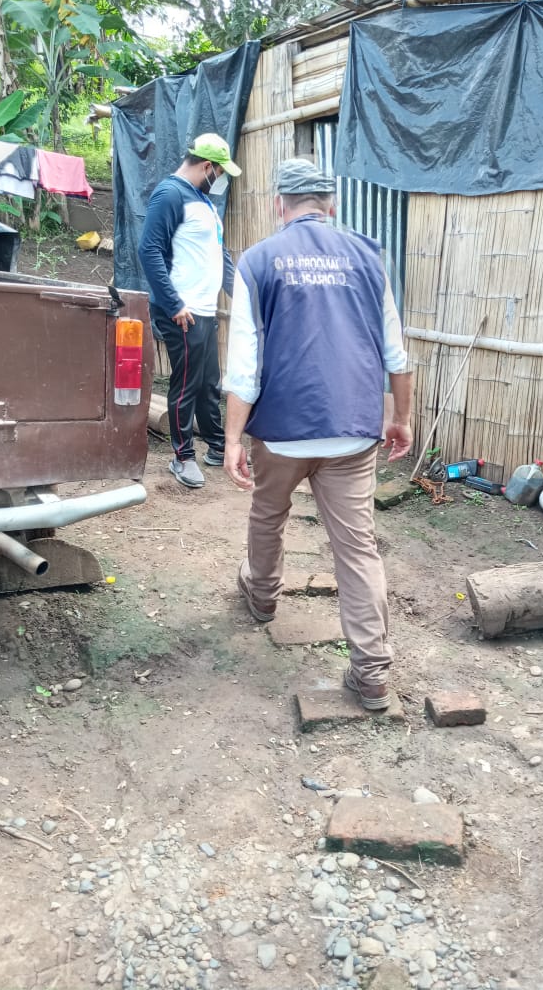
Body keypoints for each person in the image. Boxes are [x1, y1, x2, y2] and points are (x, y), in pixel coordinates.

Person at [223, 158, 413, 710]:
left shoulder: (258, 260)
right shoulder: (369, 257)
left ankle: (262, 597)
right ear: (332, 205)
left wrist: (232, 439)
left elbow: (244, 367)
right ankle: (372, 672)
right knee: (357, 547)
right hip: (352, 431)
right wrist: (400, 417)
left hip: (281, 431)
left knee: (268, 513)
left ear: (278, 205)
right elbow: (396, 352)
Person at [138, 133, 241, 488]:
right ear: (208, 166)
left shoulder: (205, 202)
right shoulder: (170, 194)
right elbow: (149, 250)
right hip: (183, 311)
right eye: (221, 173)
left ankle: (216, 445)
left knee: (208, 382)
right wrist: (174, 303)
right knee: (185, 384)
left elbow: (220, 255)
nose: (221, 179)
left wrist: (242, 296)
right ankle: (182, 457)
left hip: (204, 309)